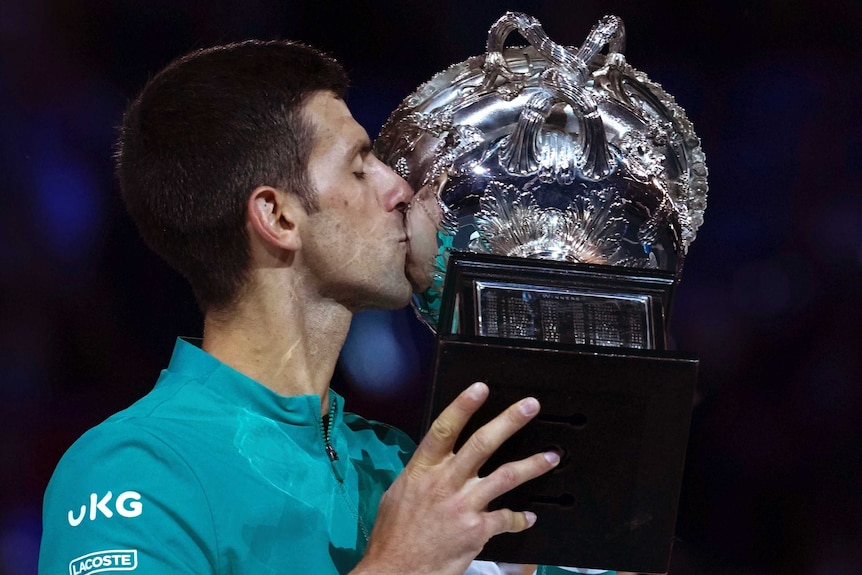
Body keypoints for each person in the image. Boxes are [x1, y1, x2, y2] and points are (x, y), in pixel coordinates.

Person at [37, 39, 593, 575]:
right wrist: (400, 566)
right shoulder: (134, 470)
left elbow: (605, 551)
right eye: (360, 164)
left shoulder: (402, 469)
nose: (401, 189)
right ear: (278, 218)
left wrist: (504, 313)